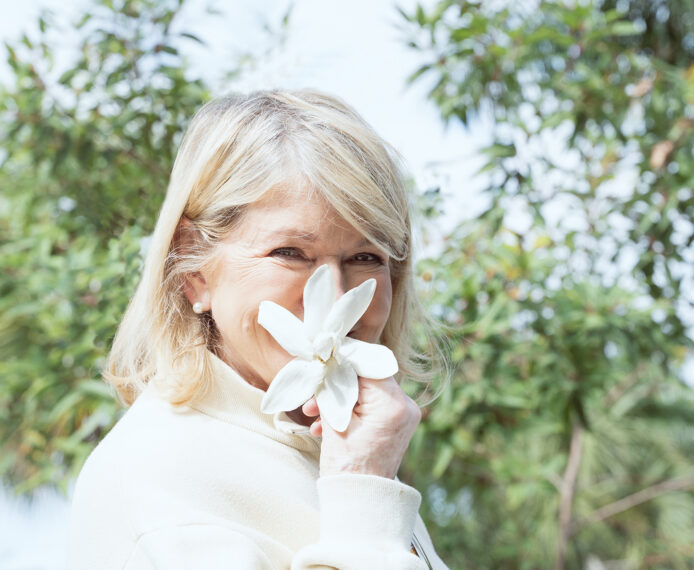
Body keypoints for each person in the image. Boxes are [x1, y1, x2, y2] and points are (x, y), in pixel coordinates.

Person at [67, 90, 448, 569]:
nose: (331, 295)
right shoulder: (162, 479)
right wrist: (362, 500)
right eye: (290, 253)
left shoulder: (335, 451)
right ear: (195, 270)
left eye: (365, 257)